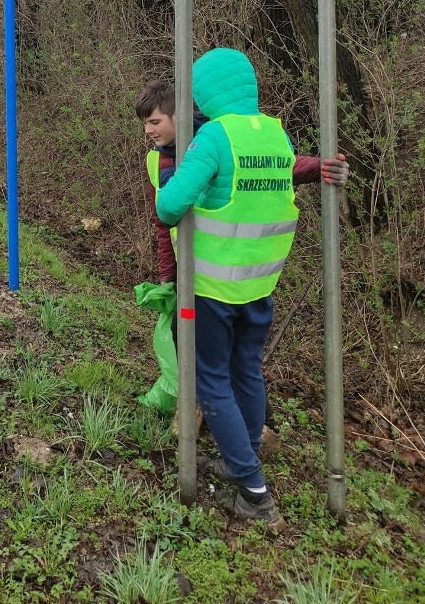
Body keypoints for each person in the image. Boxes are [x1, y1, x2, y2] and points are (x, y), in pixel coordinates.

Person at [146, 51, 347, 527]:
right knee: (246, 371)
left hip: (214, 287)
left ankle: (254, 492)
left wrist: (172, 179)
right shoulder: (274, 134)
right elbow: (291, 171)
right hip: (260, 284)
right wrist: (324, 165)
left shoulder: (215, 136)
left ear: (205, 92)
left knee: (209, 379)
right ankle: (247, 454)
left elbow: (170, 207)